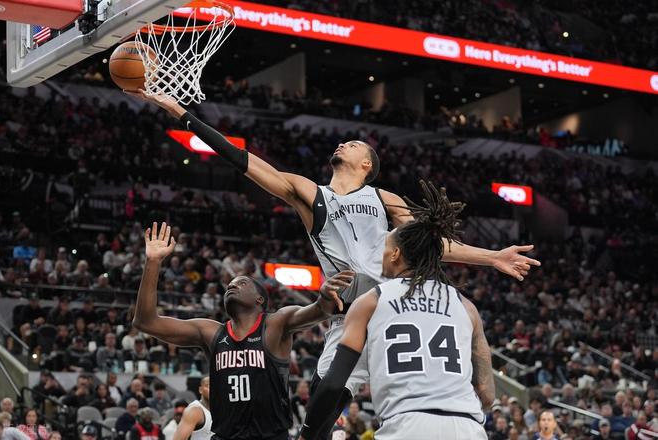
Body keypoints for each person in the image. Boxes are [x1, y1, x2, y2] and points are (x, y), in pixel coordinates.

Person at [129, 90, 540, 439]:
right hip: (353, 311)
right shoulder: (310, 194)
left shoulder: (384, 198)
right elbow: (244, 160)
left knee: (414, 400)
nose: (344, 143)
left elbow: (430, 244)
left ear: (367, 165)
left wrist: (492, 257)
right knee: (322, 402)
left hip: (396, 303)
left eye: (355, 144)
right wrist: (182, 114)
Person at [299, 183, 493, 440]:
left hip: (406, 424)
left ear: (395, 254)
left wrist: (307, 434)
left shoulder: (371, 301)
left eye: (384, 248)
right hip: (467, 427)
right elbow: (486, 393)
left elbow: (334, 383)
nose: (380, 255)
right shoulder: (466, 307)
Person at [133, 221, 354, 440]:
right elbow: (146, 322)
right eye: (230, 284)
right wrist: (153, 262)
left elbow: (317, 310)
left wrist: (324, 297)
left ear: (260, 299)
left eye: (242, 283)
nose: (232, 285)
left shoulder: (275, 324)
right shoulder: (211, 332)